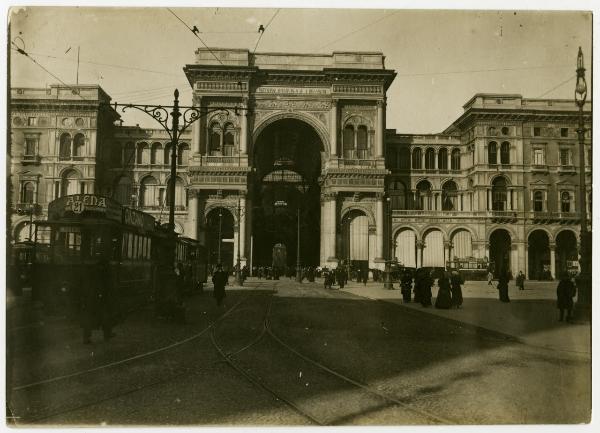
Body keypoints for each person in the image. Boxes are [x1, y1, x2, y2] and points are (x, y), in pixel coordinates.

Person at [82, 259, 116, 344]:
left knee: (89, 318)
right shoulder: (102, 274)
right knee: (105, 316)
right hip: (99, 299)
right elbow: (103, 287)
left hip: (90, 299)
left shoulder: (92, 272)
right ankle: (107, 334)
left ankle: (86, 337)